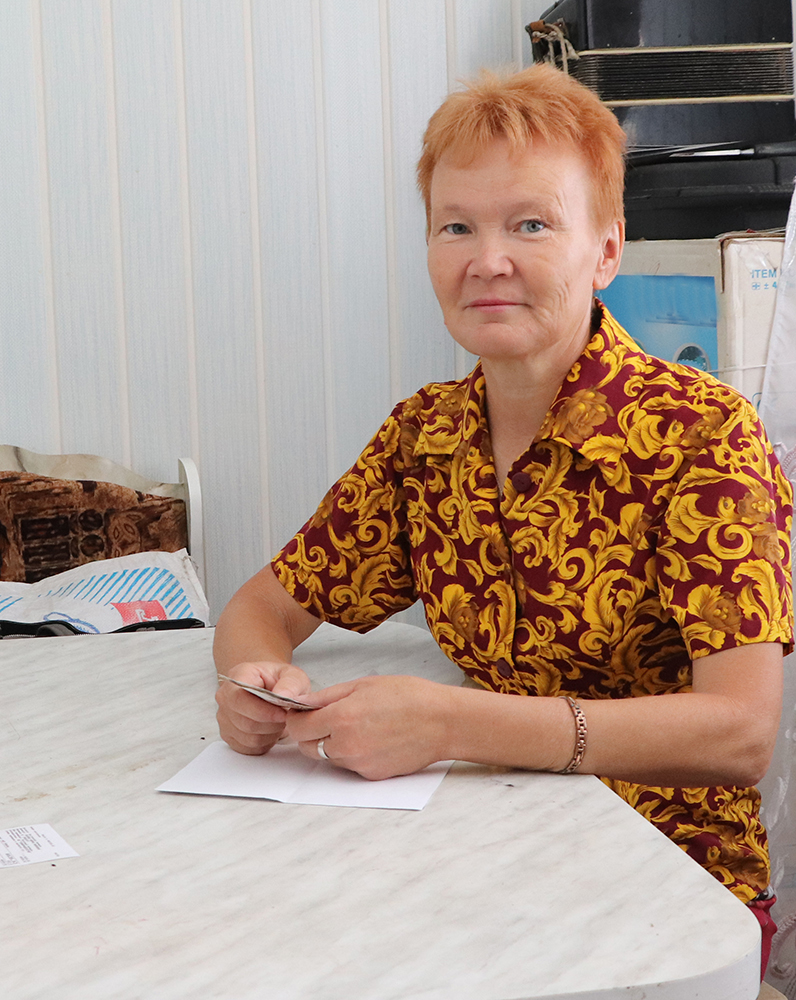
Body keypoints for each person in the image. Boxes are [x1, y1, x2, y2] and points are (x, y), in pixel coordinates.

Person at [214, 64, 790, 973]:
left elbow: (740, 733)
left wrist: (451, 724)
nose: (488, 259)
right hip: (473, 853)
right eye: (457, 226)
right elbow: (261, 606)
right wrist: (257, 682)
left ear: (606, 250)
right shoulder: (423, 436)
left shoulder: (701, 436)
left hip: (667, 890)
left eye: (531, 223)